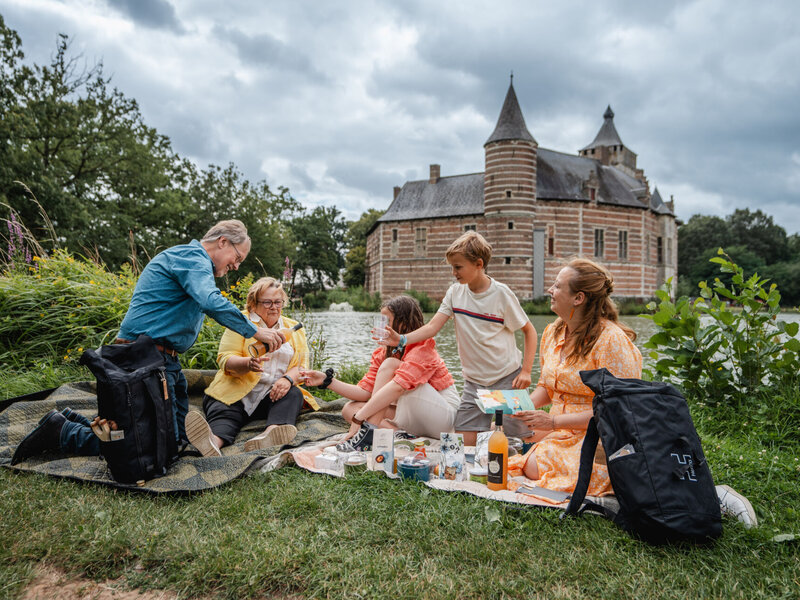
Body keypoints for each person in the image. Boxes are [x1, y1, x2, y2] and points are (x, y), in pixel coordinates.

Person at [11, 220, 284, 464]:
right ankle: (64, 431)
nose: (236, 266)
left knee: (176, 443)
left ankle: (74, 422)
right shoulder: (191, 257)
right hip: (142, 358)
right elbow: (209, 300)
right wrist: (255, 331)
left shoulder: (194, 263)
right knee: (152, 447)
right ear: (223, 241)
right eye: (237, 257)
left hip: (165, 361)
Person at [380, 231, 537, 446]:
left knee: (520, 440)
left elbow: (530, 331)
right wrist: (401, 339)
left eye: (458, 267)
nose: (453, 272)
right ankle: (490, 436)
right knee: (463, 445)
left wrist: (527, 370)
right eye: (452, 267)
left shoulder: (501, 294)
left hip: (506, 378)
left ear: (479, 264)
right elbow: (433, 327)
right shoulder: (455, 293)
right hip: (474, 383)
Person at [508, 258, 642, 495]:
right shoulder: (553, 332)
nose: (550, 290)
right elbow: (548, 387)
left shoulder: (611, 341)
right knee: (502, 432)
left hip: (601, 435)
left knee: (533, 465)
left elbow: (617, 410)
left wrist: (552, 423)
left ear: (578, 298)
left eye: (558, 286)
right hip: (558, 428)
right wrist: (519, 406)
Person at [184, 277, 319, 456]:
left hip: (270, 395)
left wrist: (287, 380)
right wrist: (247, 364)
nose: (274, 307)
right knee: (225, 413)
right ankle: (212, 443)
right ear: (253, 304)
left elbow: (302, 365)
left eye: (278, 302)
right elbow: (225, 359)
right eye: (267, 302)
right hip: (235, 393)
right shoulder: (241, 322)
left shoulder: (293, 328)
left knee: (293, 394)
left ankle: (270, 434)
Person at [304, 295, 459, 450]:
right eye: (381, 321)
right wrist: (327, 381)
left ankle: (369, 432)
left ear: (403, 324)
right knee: (349, 409)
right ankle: (399, 434)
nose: (381, 327)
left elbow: (398, 387)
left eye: (387, 322)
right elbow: (366, 393)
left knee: (389, 368)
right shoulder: (383, 353)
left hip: (442, 419)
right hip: (413, 416)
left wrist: (360, 419)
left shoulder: (423, 348)